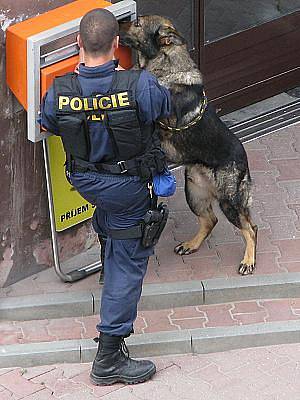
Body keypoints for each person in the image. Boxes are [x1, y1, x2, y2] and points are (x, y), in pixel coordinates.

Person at [41, 8, 171, 385]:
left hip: (84, 182)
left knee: (112, 222)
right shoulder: (140, 84)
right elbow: (163, 109)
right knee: (128, 260)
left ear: (78, 43)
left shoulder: (59, 91)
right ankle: (109, 356)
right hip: (127, 188)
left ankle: (107, 241)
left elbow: (48, 123)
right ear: (117, 44)